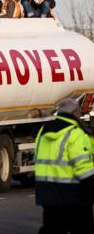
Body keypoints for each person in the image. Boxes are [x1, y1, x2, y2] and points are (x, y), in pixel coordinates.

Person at [35, 98, 94, 234]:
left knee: (52, 229)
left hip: (47, 195)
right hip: (74, 196)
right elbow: (83, 168)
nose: (80, 115)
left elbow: (37, 157)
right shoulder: (75, 133)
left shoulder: (43, 131)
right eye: (79, 112)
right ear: (74, 113)